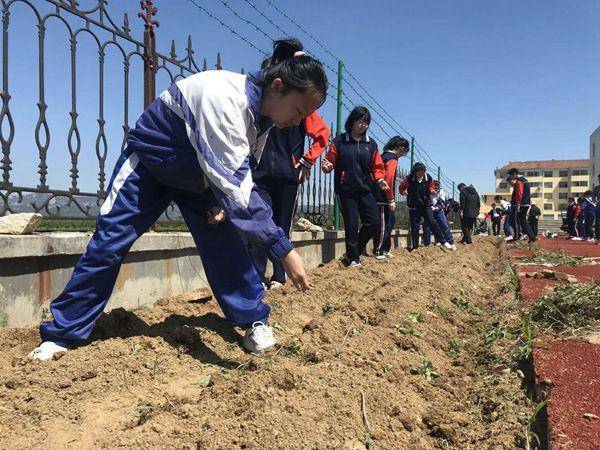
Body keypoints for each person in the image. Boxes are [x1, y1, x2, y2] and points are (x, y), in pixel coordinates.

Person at [28, 38, 328, 360]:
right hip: (151, 165)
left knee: (226, 246)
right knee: (109, 242)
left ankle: (253, 319)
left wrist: (221, 205)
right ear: (278, 86)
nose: (299, 122)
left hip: (198, 178)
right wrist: (283, 250)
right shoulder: (225, 97)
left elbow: (240, 172)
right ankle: (63, 333)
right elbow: (239, 189)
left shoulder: (263, 119)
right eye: (298, 111)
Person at [249, 46, 331, 289]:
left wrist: (306, 161)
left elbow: (322, 134)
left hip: (287, 174)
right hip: (260, 172)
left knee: (282, 225)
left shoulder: (300, 105)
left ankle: (279, 276)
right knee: (259, 222)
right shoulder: (263, 102)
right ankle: (256, 276)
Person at [321, 106, 390, 267]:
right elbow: (329, 161)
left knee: (373, 222)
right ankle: (353, 259)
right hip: (346, 190)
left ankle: (354, 251)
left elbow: (377, 167)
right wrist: (327, 166)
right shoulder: (340, 141)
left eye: (366, 122)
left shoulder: (370, 144)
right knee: (351, 224)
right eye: (360, 121)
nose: (363, 125)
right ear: (352, 121)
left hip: (366, 189)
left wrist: (380, 180)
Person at [399, 163, 451, 251]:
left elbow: (431, 187)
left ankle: (443, 242)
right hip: (414, 205)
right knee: (415, 226)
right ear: (415, 172)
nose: (422, 174)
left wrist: (432, 191)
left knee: (432, 222)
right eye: (420, 172)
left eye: (423, 172)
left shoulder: (428, 178)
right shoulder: (409, 178)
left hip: (425, 204)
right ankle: (415, 246)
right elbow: (401, 188)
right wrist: (404, 193)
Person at [373, 136, 409, 258]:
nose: (403, 155)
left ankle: (385, 249)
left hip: (378, 194)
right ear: (402, 149)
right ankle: (378, 251)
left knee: (389, 222)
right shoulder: (392, 159)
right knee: (384, 224)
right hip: (382, 197)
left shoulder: (383, 156)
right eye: (404, 153)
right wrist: (391, 198)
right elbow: (388, 179)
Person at [424, 180, 457, 251]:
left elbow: (442, 203)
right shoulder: (428, 190)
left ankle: (451, 242)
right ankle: (426, 244)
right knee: (427, 226)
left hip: (439, 211)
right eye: (434, 186)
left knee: (444, 225)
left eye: (437, 186)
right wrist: (430, 207)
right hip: (429, 209)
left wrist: (437, 207)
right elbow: (426, 200)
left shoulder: (441, 192)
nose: (436, 188)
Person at [507, 168, 537, 243]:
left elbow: (519, 194)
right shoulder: (524, 180)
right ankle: (531, 237)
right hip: (525, 203)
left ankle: (518, 236)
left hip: (522, 204)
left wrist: (518, 204)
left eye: (511, 176)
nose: (511, 178)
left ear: (514, 174)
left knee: (517, 221)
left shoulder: (520, 181)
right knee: (523, 221)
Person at [593, 175, 600, 242]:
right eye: (599, 179)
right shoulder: (596, 188)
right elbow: (593, 198)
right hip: (598, 209)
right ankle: (598, 238)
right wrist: (596, 201)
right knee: (597, 224)